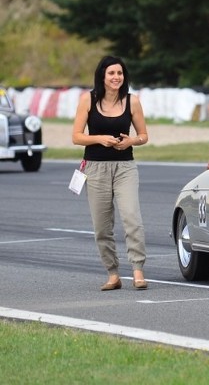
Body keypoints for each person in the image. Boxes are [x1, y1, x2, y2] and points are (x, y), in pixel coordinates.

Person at [72, 55, 149, 291]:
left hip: (125, 167)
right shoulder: (88, 99)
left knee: (132, 219)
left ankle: (137, 270)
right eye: (111, 73)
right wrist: (98, 139)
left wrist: (131, 142)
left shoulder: (132, 101)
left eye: (120, 73)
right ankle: (113, 273)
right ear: (102, 77)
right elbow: (76, 136)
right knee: (102, 226)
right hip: (95, 168)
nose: (116, 77)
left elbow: (144, 136)